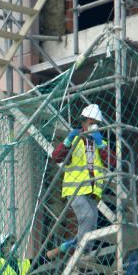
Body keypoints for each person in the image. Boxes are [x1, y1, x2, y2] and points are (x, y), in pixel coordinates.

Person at [51, 103, 115, 254]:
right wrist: (67, 140)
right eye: (91, 123)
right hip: (75, 189)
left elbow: (113, 162)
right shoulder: (75, 140)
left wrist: (100, 145)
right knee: (87, 215)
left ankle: (76, 246)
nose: (94, 127)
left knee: (92, 222)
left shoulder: (101, 143)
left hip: (92, 191)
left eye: (97, 124)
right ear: (83, 122)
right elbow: (56, 157)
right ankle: (82, 250)